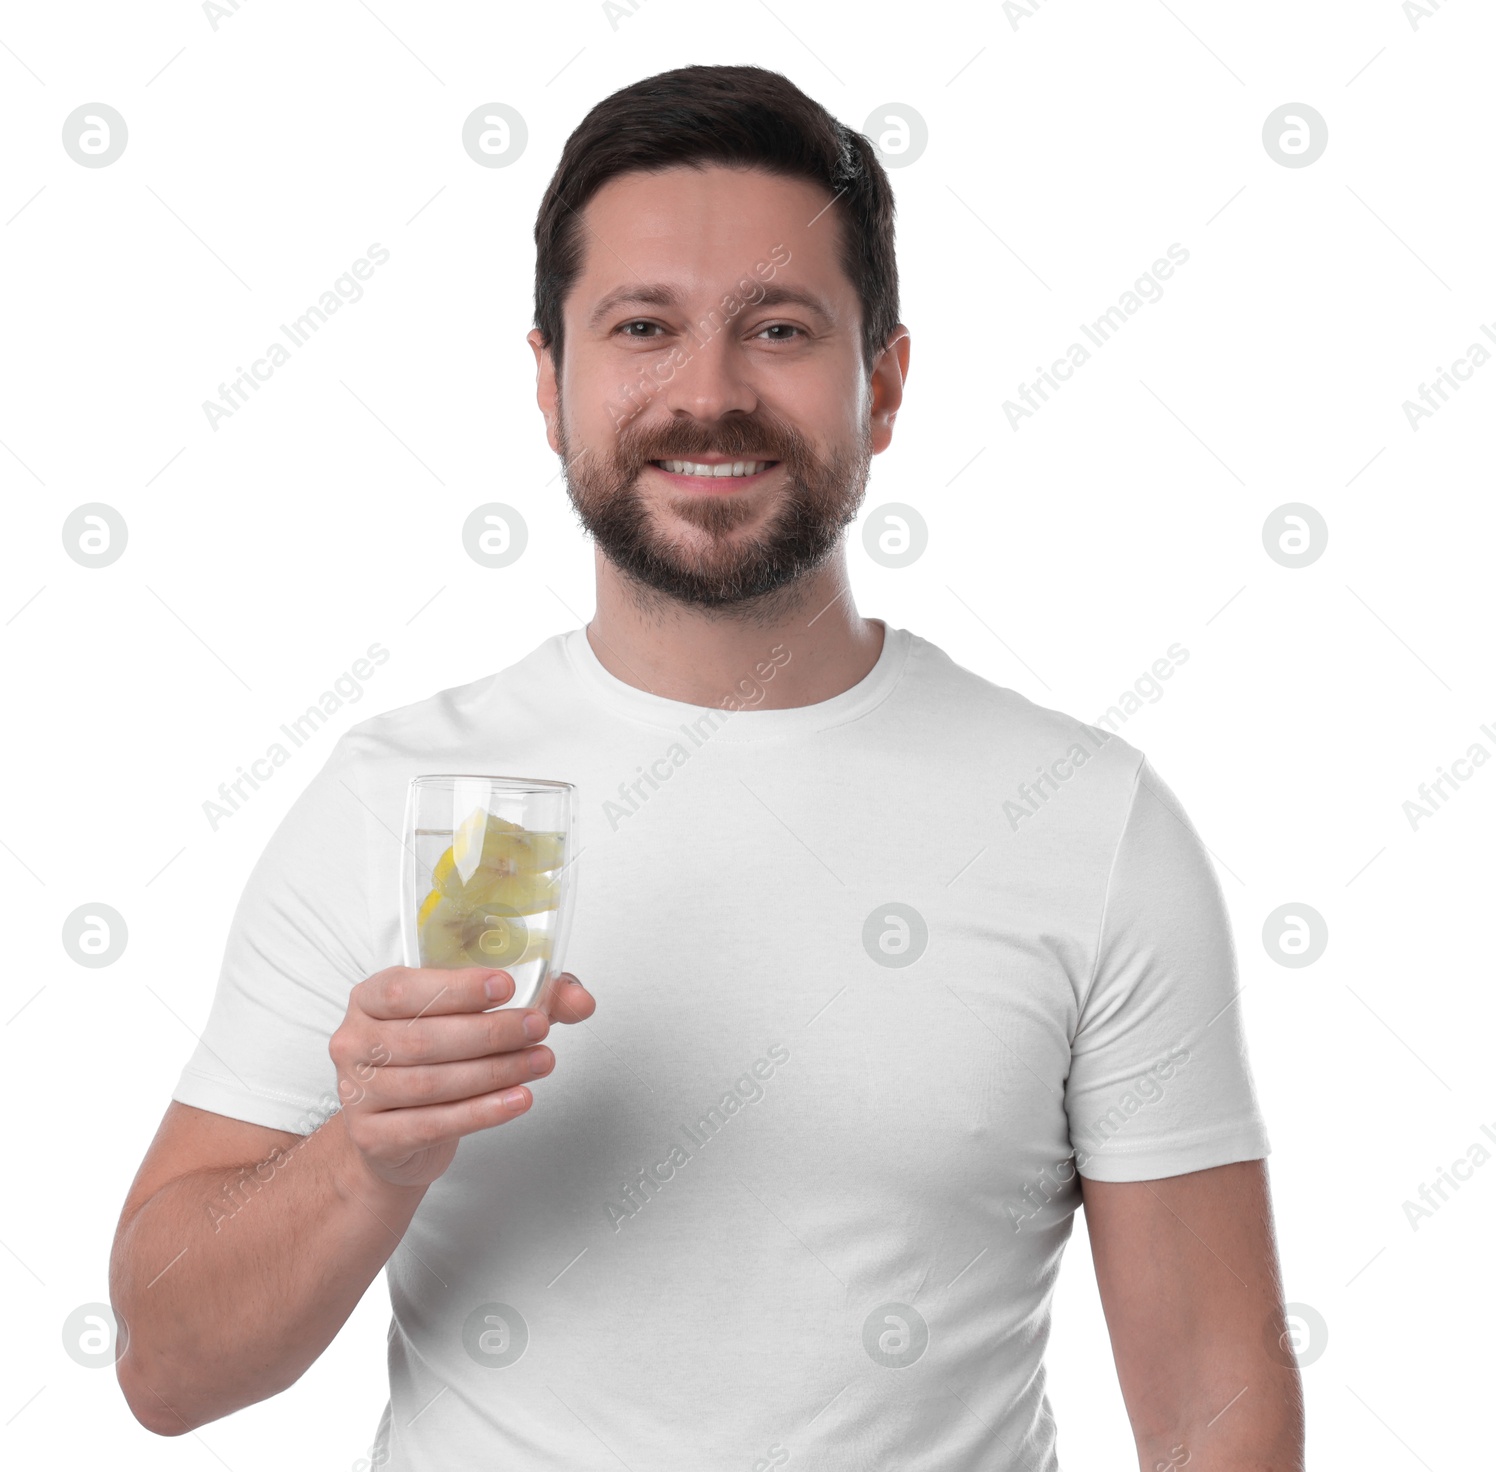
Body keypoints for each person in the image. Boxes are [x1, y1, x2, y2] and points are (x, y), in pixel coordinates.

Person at [111, 63, 1303, 1470]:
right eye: (642, 327)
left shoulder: (1090, 823)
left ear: (886, 380)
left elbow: (1217, 1404)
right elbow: (167, 1371)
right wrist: (366, 1158)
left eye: (779, 327)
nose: (709, 394)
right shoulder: (399, 799)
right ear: (552, 383)